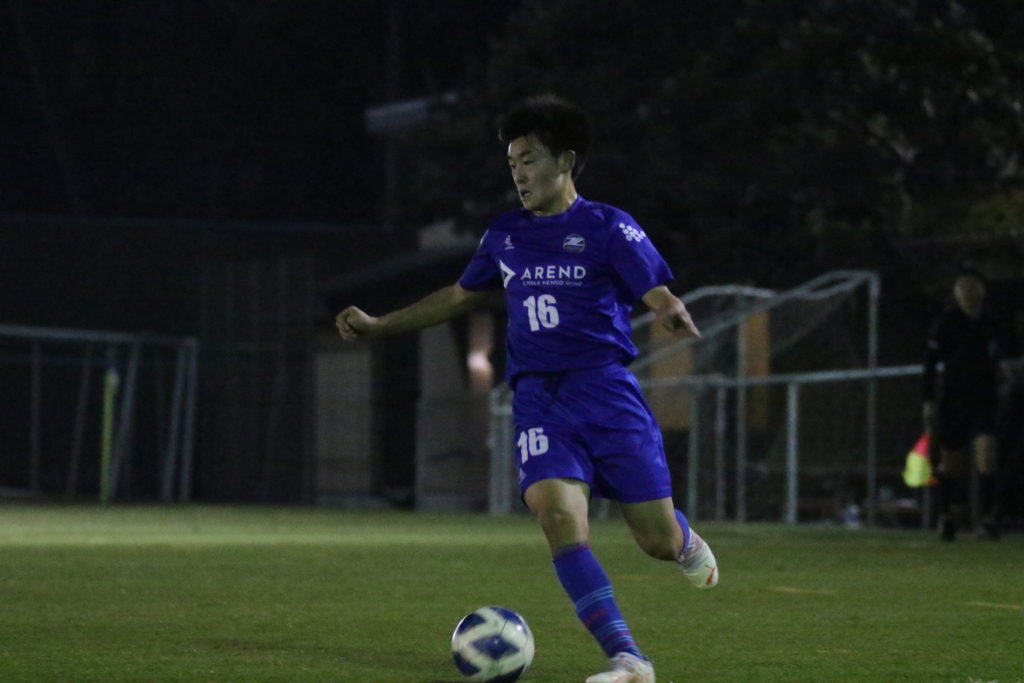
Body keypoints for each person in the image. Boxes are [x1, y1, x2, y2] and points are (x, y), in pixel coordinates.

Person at [336, 95, 717, 683]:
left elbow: (656, 289)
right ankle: (629, 658)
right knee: (558, 516)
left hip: (607, 394)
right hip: (540, 399)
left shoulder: (607, 225)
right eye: (512, 163)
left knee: (656, 541)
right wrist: (381, 324)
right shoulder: (505, 234)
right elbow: (460, 296)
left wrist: (667, 307)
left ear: (565, 161)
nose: (518, 173)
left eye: (530, 160)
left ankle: (683, 539)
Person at [922, 264, 1005, 541]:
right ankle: (946, 516)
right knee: (951, 465)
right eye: (961, 287)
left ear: (982, 290)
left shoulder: (992, 322)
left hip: (984, 400)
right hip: (954, 401)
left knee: (987, 456)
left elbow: (999, 356)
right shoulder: (947, 322)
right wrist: (928, 400)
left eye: (972, 286)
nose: (967, 292)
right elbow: (929, 364)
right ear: (955, 292)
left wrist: (1001, 375)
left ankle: (987, 518)